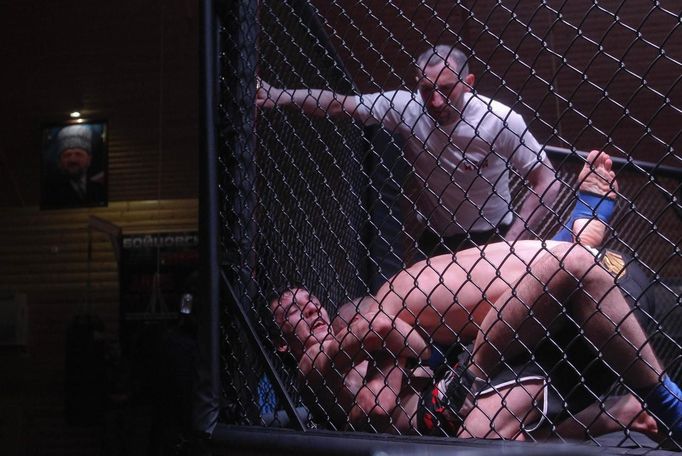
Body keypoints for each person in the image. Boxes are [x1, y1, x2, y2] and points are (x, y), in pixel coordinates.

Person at [268, 151, 682, 443]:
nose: (308, 306)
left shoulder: (355, 342)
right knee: (396, 300)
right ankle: (566, 249)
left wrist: (389, 356)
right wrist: (381, 351)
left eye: (308, 300)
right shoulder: (310, 367)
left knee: (401, 294)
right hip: (445, 409)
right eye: (293, 310)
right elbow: (378, 391)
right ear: (284, 341)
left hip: (448, 391)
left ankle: (565, 248)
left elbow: (403, 341)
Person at [257, 45, 561, 257]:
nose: (436, 101)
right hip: (437, 238)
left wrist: (511, 244)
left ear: (468, 83)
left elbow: (547, 180)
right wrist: (278, 96)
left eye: (446, 89)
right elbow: (340, 103)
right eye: (427, 89)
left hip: (493, 234)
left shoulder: (499, 120)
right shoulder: (406, 106)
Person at [43, 124, 106, 208]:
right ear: (59, 161)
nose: (73, 160)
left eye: (78, 154)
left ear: (89, 159)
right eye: (67, 155)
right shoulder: (50, 193)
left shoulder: (100, 189)